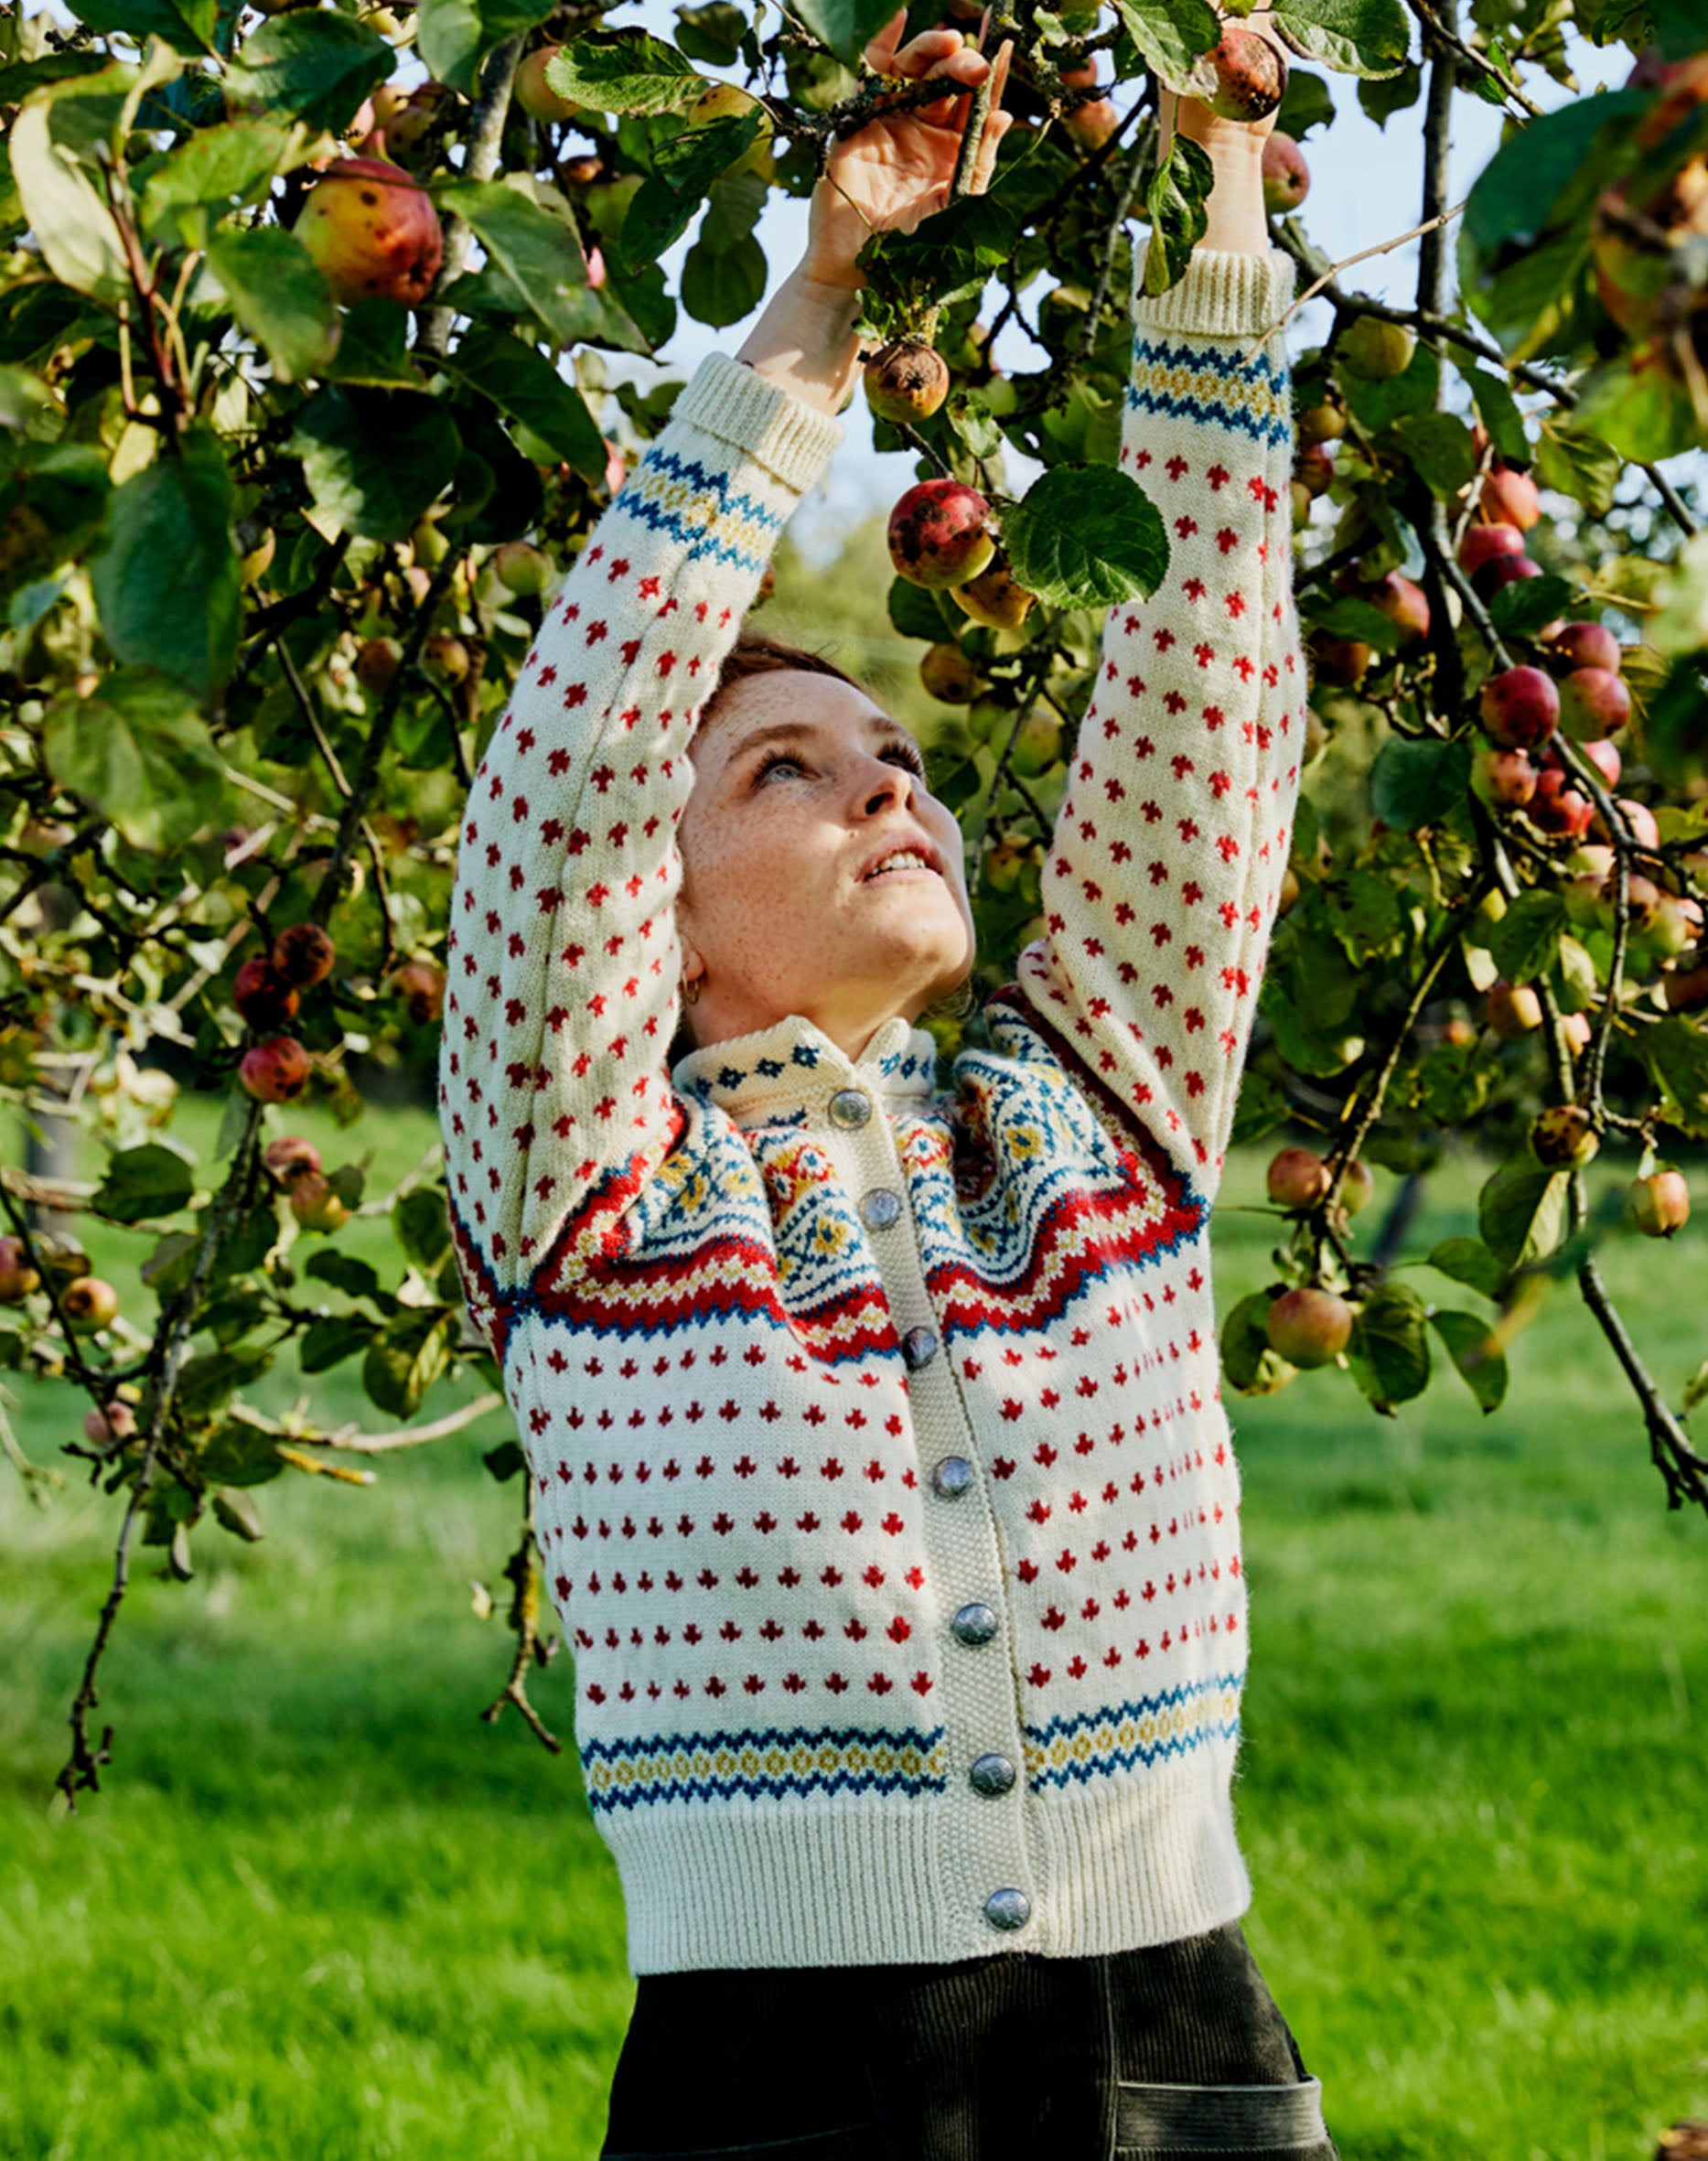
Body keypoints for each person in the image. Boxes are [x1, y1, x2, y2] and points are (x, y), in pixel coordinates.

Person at [440, 8, 1328, 2155]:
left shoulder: (1086, 1115)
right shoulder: (591, 1187)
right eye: (784, 768)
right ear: (654, 913)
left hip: (1174, 2019)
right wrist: (823, 292)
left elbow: (1206, 684)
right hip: (784, 2065)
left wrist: (1219, 181)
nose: (886, 789)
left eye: (900, 756)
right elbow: (570, 770)